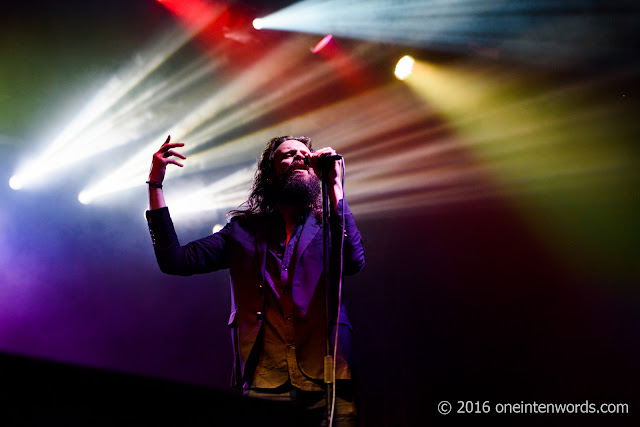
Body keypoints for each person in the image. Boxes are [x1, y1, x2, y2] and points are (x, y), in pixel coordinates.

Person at [145, 135, 365, 426]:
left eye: (305, 155)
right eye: (288, 155)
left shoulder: (330, 226)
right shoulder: (242, 231)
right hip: (265, 380)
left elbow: (353, 261)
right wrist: (155, 185)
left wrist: (336, 187)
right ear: (270, 176)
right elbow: (175, 260)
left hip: (328, 379)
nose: (299, 157)